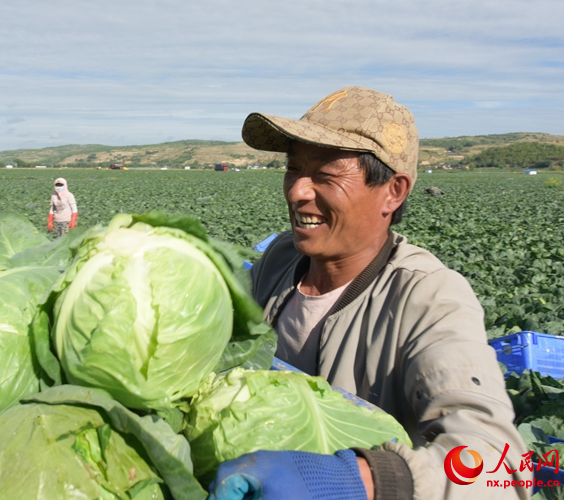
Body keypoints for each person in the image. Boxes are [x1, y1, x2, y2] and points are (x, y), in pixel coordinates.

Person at [209, 87, 531, 500]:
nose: (297, 192)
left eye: (325, 175)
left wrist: (364, 479)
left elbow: (500, 463)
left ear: (393, 191)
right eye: (293, 169)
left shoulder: (430, 297)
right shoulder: (280, 259)